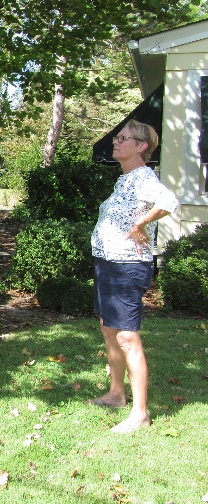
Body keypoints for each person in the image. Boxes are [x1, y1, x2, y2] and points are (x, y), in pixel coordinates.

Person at [90, 120, 178, 433]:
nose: (116, 141)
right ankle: (116, 393)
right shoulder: (125, 180)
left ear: (141, 147)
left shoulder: (142, 177)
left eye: (123, 138)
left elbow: (169, 202)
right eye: (117, 136)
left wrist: (141, 224)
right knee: (109, 330)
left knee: (127, 336)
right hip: (108, 263)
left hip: (126, 266)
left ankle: (140, 412)